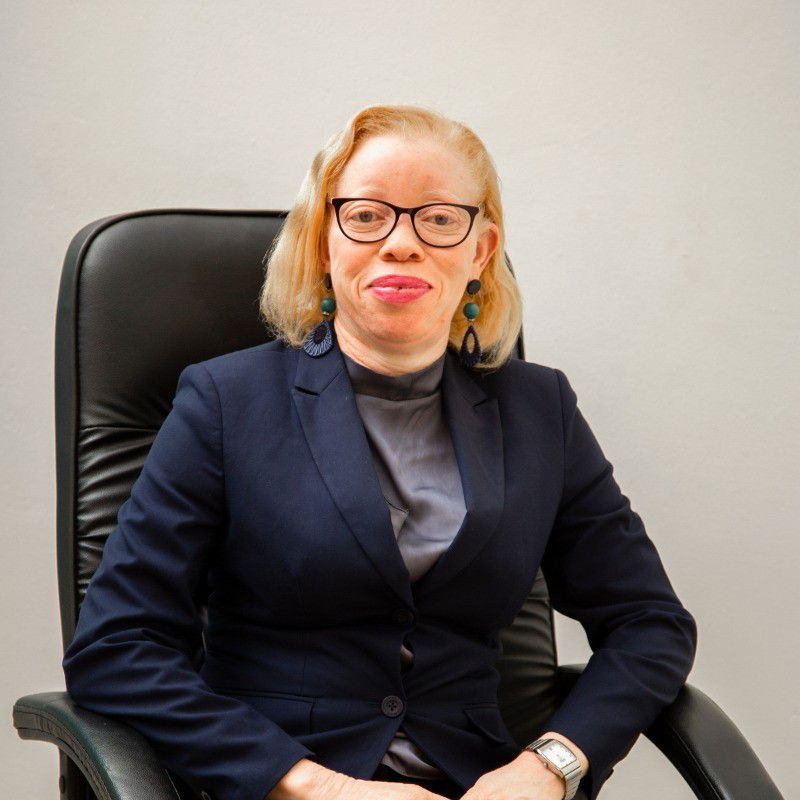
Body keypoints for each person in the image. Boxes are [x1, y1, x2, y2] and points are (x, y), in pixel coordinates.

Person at [62, 104, 697, 800]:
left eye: (439, 218)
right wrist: (316, 788)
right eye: (367, 216)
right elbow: (116, 649)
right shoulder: (226, 402)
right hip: (283, 785)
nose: (402, 243)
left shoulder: (539, 409)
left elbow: (649, 622)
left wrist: (550, 765)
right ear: (323, 242)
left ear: (480, 250)